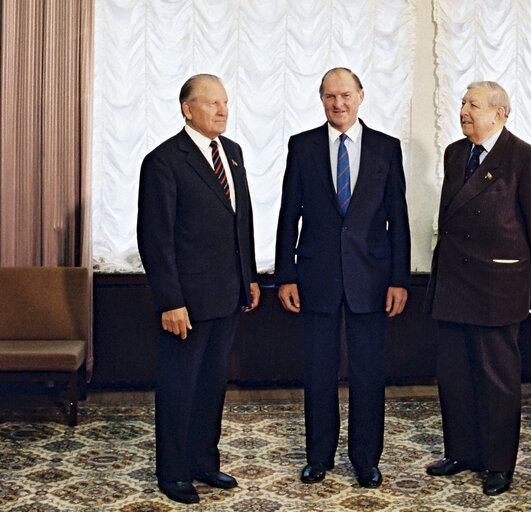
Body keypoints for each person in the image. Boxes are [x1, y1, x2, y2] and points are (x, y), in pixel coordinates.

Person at [275, 67, 411, 488]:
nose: (339, 104)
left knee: (369, 375)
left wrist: (399, 279)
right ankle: (319, 457)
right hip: (315, 280)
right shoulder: (302, 146)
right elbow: (288, 216)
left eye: (346, 95)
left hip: (371, 281)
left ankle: (366, 459)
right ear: (321, 100)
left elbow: (399, 220)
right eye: (331, 96)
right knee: (318, 373)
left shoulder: (387, 148)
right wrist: (286, 275)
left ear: (361, 96)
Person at [424, 81, 531, 496]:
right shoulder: (454, 153)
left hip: (496, 289)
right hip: (452, 285)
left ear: (500, 113)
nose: (463, 110)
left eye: (473, 105)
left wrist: (518, 276)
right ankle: (462, 453)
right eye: (463, 103)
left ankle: (499, 465)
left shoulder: (525, 159)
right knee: (455, 376)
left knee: (497, 382)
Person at [137, 74, 260, 504]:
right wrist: (170, 301)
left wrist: (249, 279)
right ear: (188, 109)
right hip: (186, 303)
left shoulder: (234, 153)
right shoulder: (164, 161)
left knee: (212, 385)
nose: (222, 110)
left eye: (225, 102)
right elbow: (155, 239)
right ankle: (173, 473)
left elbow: (239, 221)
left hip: (227, 295)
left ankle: (204, 463)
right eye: (212, 103)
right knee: (178, 387)